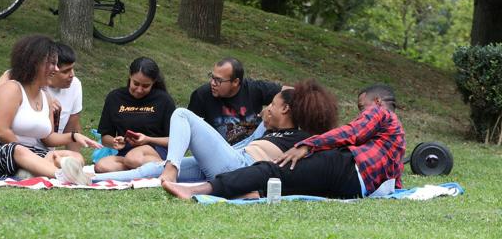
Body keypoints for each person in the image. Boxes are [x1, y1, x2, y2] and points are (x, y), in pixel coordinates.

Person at [162, 84, 406, 200]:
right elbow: (395, 179)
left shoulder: (379, 113)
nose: (360, 112)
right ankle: (251, 193)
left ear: (376, 103)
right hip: (351, 188)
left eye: (361, 107)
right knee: (289, 182)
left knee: (272, 170)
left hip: (346, 169)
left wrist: (308, 145)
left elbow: (350, 133)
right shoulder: (398, 140)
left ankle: (195, 191)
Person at [92, 79, 338, 183]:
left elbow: (329, 142)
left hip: (237, 166)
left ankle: (171, 169)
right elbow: (252, 138)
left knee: (182, 114)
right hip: (229, 160)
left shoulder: (302, 139)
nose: (267, 108)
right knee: (155, 168)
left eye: (272, 104)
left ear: (285, 109)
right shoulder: (271, 128)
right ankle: (92, 180)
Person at [0, 35, 102, 185]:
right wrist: (30, 155)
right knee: (18, 150)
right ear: (35, 63)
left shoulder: (46, 98)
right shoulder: (12, 89)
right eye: (52, 64)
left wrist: (74, 136)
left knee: (75, 157)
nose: (56, 69)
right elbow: (2, 131)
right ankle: (63, 175)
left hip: (27, 153)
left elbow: (48, 137)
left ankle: (29, 171)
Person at [0, 42, 84, 151]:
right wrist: (44, 100)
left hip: (43, 150)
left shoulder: (75, 85)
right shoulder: (20, 78)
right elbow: (0, 90)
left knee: (75, 160)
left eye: (72, 69)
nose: (72, 75)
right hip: (14, 148)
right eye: (65, 71)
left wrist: (74, 155)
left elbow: (72, 126)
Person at [94, 57, 176, 173]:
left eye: (145, 86)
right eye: (136, 83)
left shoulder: (164, 100)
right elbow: (105, 137)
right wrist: (115, 142)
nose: (139, 90)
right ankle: (150, 171)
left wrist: (147, 139)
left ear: (153, 83)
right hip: (126, 153)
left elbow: (175, 140)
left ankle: (161, 168)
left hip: (155, 150)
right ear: (130, 77)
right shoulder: (115, 98)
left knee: (133, 158)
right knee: (101, 166)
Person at [188, 57, 286, 146]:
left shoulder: (254, 89)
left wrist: (271, 107)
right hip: (220, 153)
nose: (212, 83)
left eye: (218, 80)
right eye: (212, 77)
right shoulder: (202, 95)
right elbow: (187, 131)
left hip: (253, 149)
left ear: (235, 82)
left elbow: (293, 93)